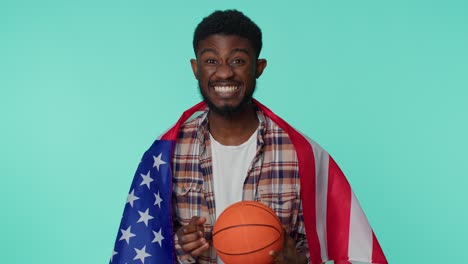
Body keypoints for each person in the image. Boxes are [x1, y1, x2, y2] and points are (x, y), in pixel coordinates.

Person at [110, 9, 387, 264]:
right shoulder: (167, 152)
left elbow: (340, 248)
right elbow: (146, 246)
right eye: (211, 60)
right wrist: (180, 245)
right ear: (196, 68)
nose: (224, 71)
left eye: (238, 60)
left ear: (259, 67)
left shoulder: (302, 154)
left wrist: (298, 262)